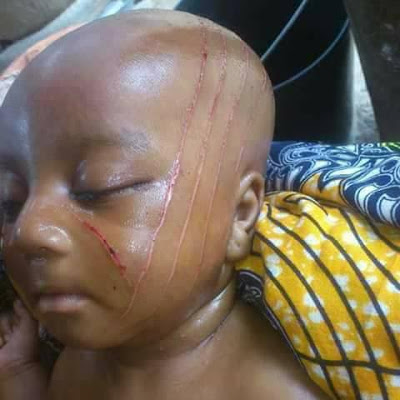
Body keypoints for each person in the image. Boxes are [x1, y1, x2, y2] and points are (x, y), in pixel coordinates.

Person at [1, 9, 399, 400]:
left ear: (239, 215)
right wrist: (18, 374)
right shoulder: (78, 356)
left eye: (99, 187)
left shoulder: (264, 389)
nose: (27, 231)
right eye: (10, 203)